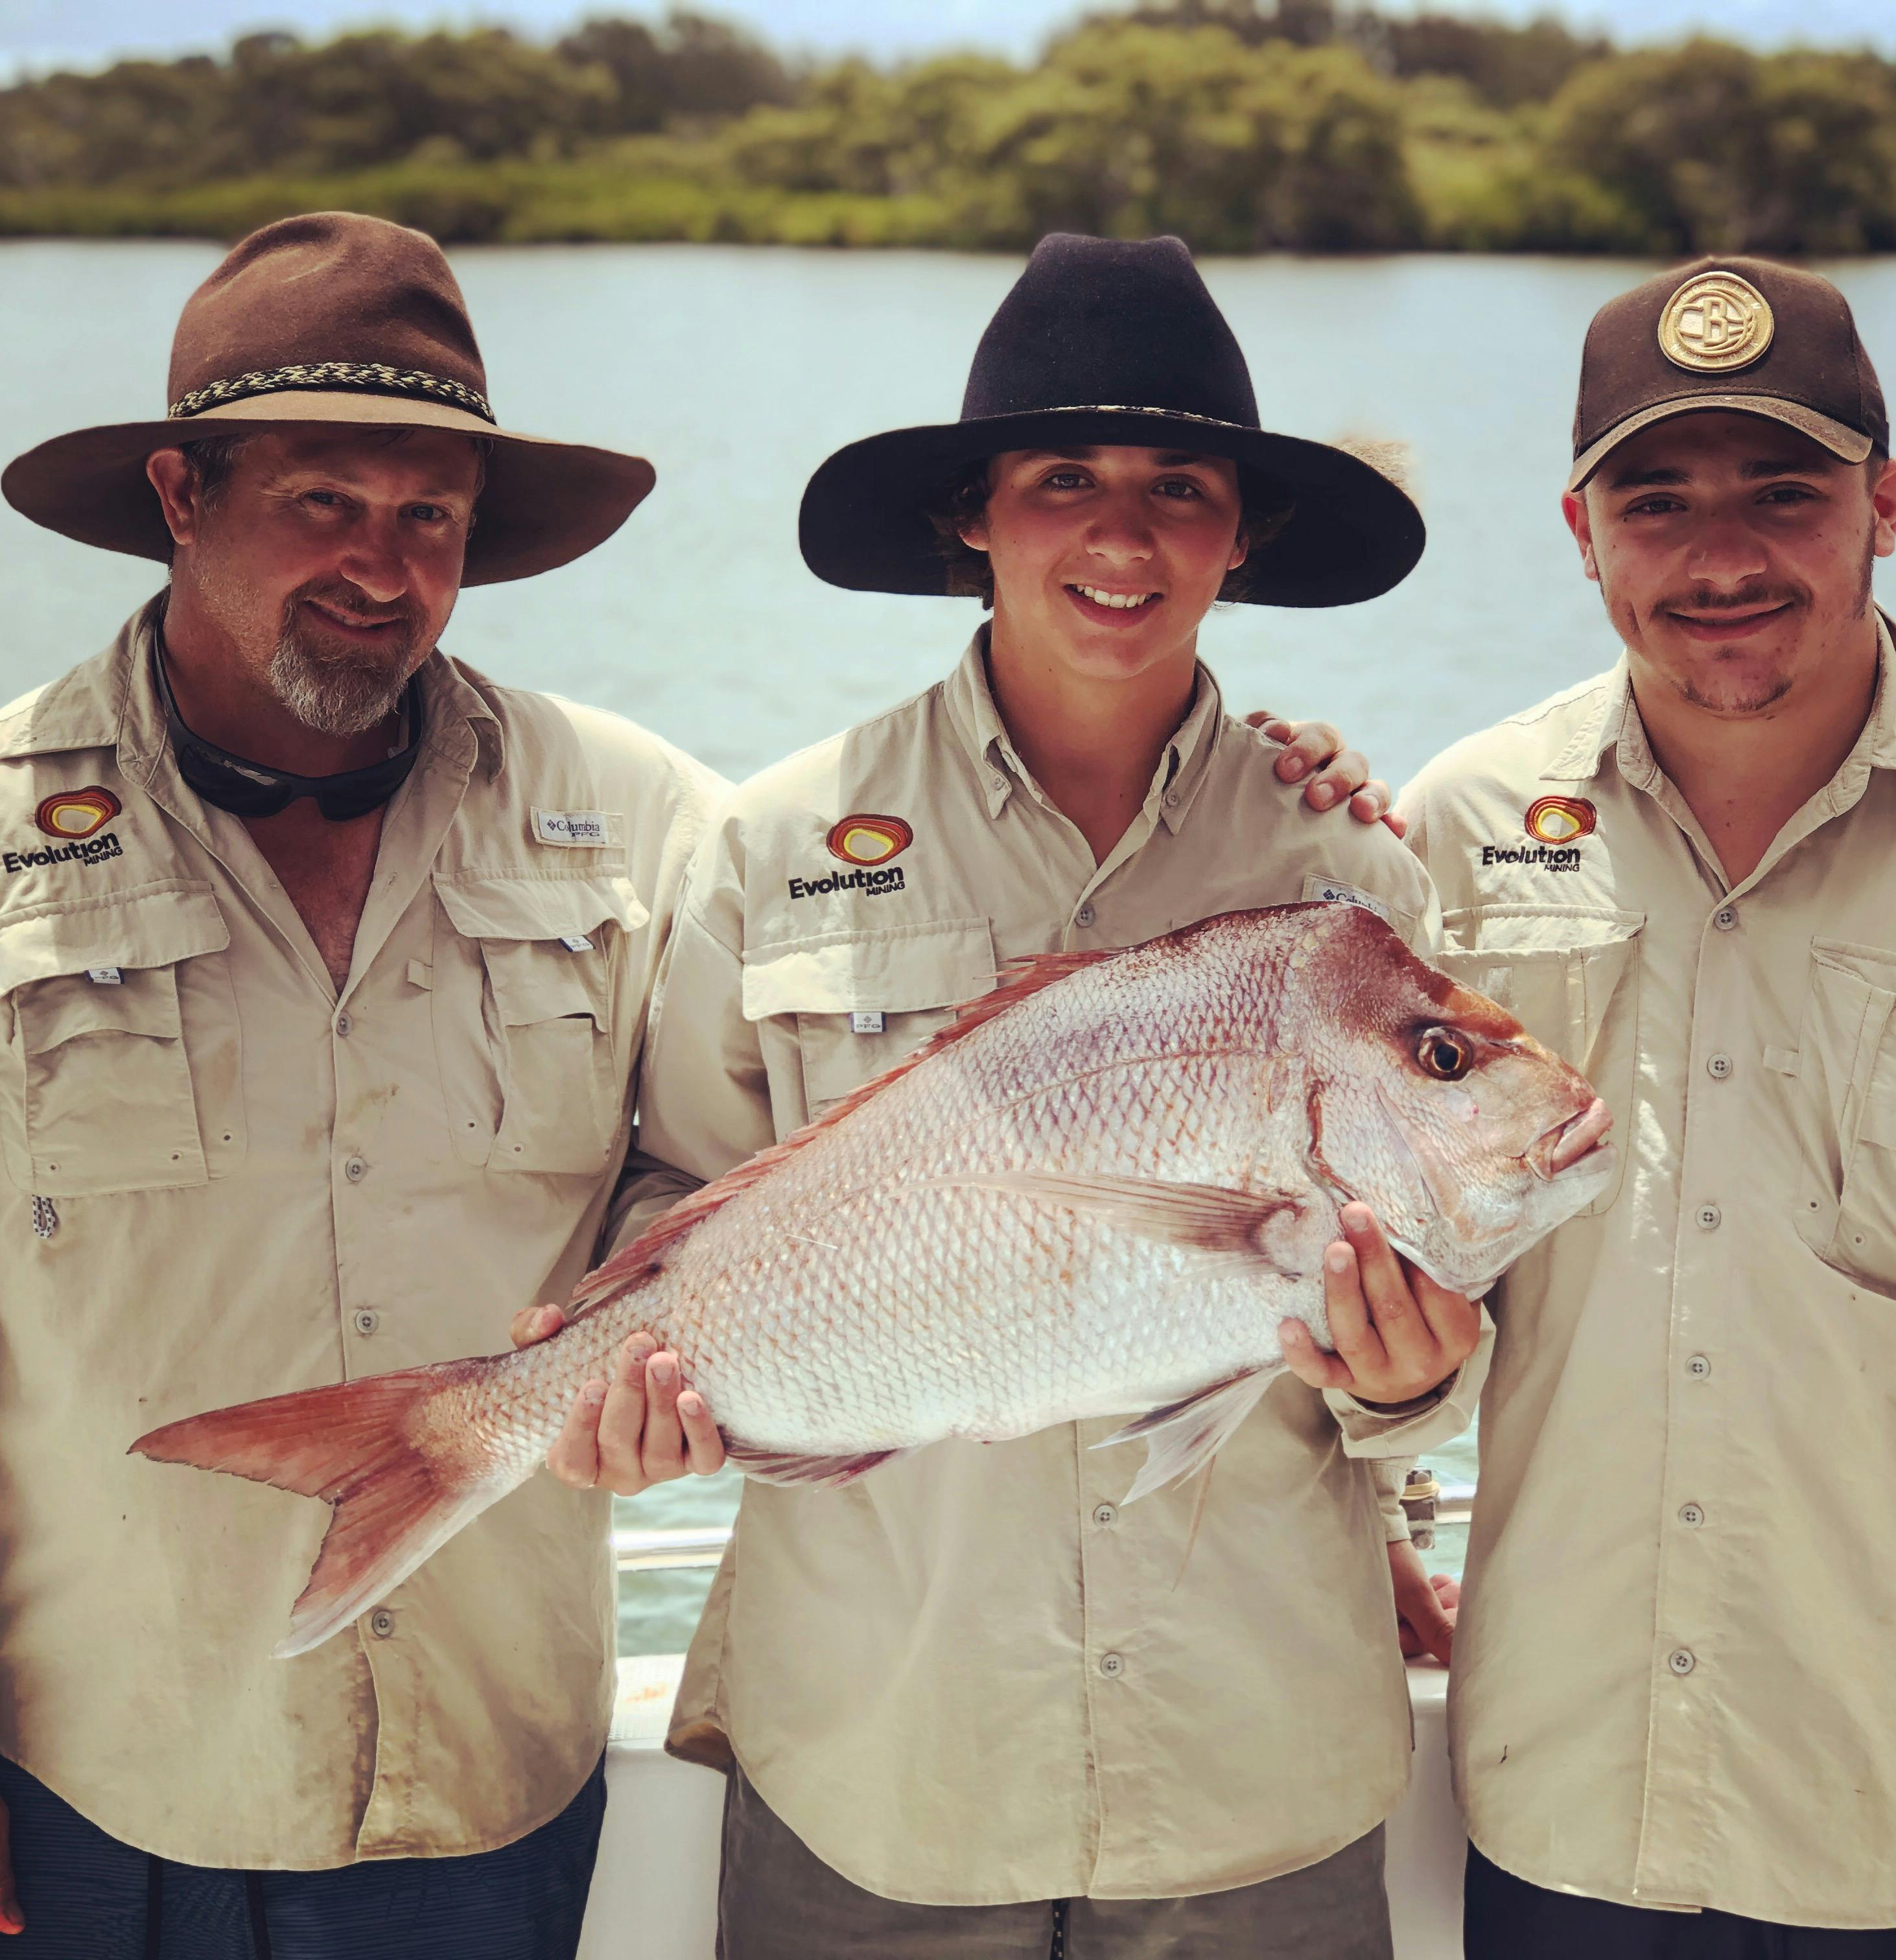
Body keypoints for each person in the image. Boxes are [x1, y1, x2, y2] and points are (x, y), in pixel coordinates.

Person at [551, 230, 1487, 1958]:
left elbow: (1438, 1311)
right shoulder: (773, 848)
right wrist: (640, 1395)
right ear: (970, 512)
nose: (1121, 538)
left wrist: (1409, 1389)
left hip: (1254, 1767)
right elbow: (670, 1203)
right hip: (880, 1762)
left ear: (1244, 532)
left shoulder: (1350, 872)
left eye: (1179, 486)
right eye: (1064, 479)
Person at [0, 209, 730, 1959]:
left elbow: (720, 1177)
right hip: (109, 1770)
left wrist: (667, 1343)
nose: (384, 571)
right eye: (324, 502)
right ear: (183, 498)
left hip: (494, 1774)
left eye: (431, 519)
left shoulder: (647, 820)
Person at [1400, 258, 1896, 1957]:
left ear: (1888, 504)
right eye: (1658, 500)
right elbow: (1367, 1278)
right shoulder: (1458, 826)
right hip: (1556, 1798)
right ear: (1580, 529)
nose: (1724, 559)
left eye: (1785, 493)